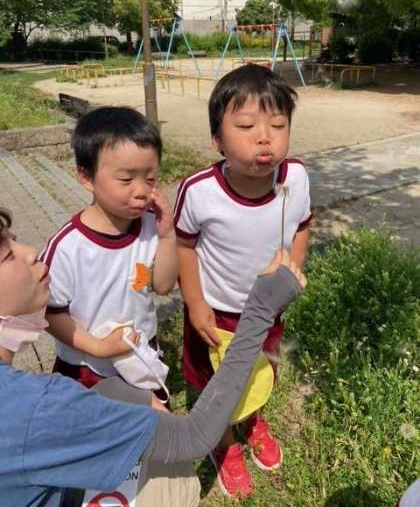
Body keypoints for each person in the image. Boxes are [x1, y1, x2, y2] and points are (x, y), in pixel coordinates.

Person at [0, 207, 306, 507]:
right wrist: (261, 308)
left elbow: (162, 283)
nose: (31, 253)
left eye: (14, 239)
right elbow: (193, 437)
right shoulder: (34, 408)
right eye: (7, 255)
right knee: (175, 484)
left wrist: (114, 392)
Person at [175, 63, 312, 497]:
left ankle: (252, 420)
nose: (264, 137)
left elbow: (303, 225)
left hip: (267, 311)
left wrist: (292, 268)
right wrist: (195, 303)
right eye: (247, 126)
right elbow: (183, 247)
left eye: (278, 125)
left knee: (259, 373)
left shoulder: (297, 178)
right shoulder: (199, 191)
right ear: (217, 139)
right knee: (215, 385)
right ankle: (225, 441)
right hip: (216, 316)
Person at [39, 107, 177, 410]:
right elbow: (50, 314)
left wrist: (168, 236)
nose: (141, 191)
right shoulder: (69, 247)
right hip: (86, 366)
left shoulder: (150, 228)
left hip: (139, 354)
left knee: (150, 425)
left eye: (151, 179)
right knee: (92, 427)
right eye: (126, 179)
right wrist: (99, 347)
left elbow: (163, 286)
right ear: (86, 177)